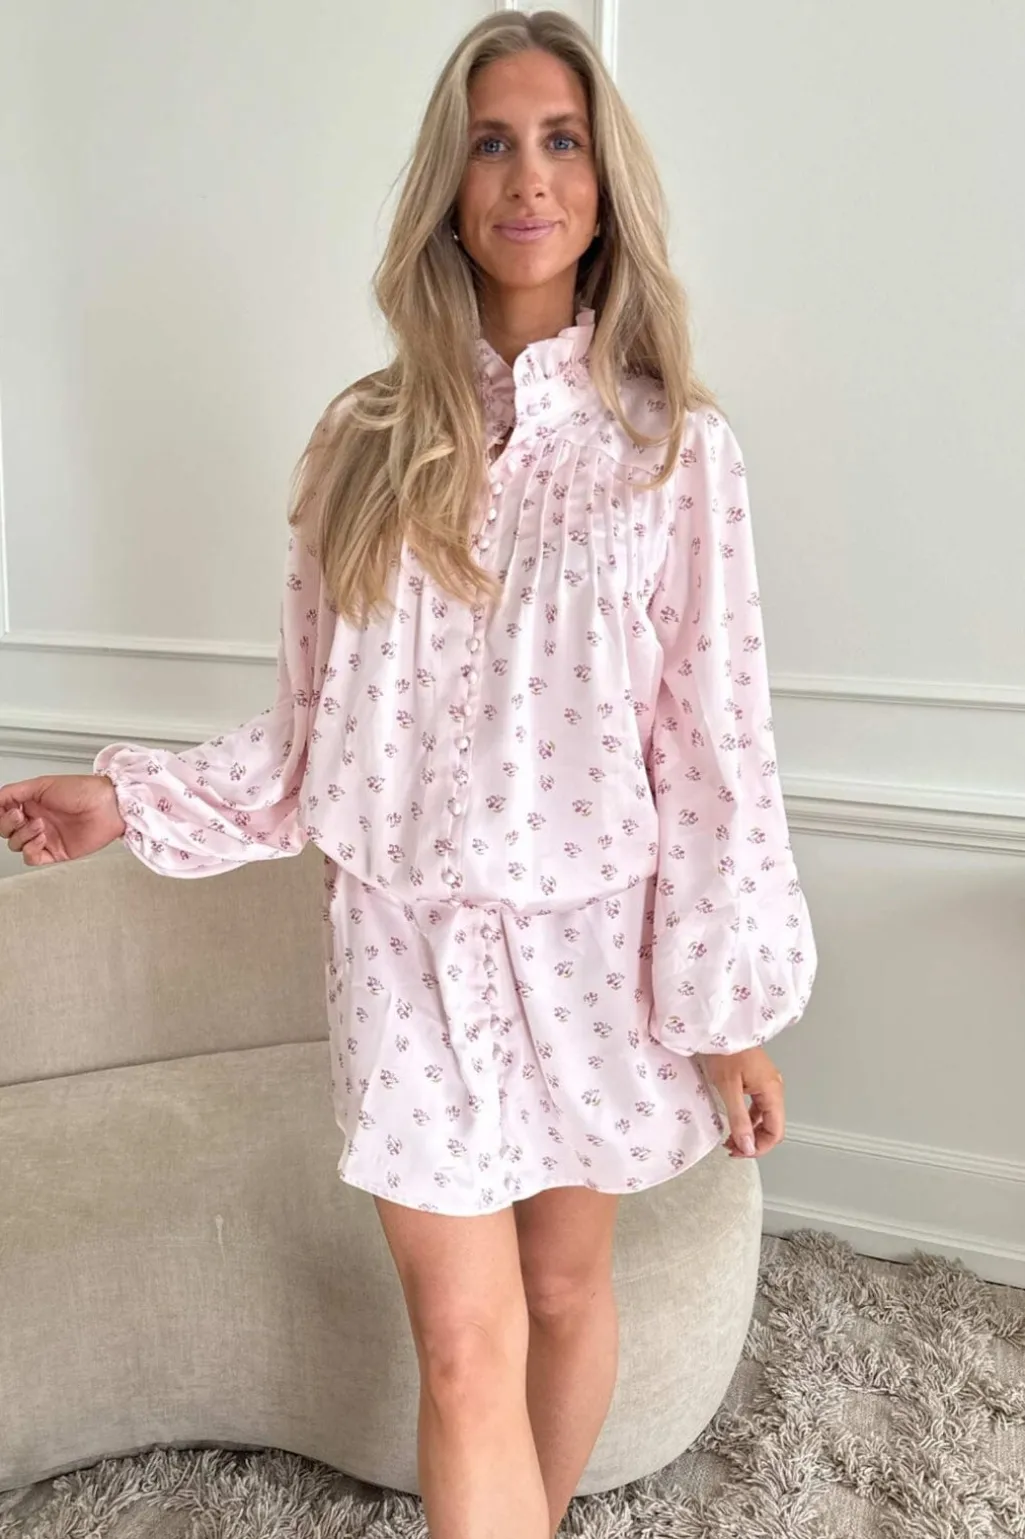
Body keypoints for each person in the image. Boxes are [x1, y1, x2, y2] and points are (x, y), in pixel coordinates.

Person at [0, 10, 817, 1537]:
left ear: (604, 185)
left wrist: (733, 1017)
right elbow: (306, 738)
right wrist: (128, 797)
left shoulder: (672, 456)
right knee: (460, 1342)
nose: (528, 176)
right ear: (449, 184)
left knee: (565, 1290)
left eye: (561, 141)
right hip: (402, 945)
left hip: (591, 946)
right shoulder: (358, 449)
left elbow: (714, 750)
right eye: (492, 144)